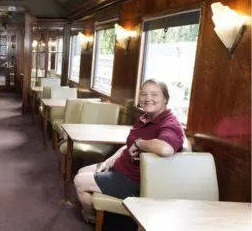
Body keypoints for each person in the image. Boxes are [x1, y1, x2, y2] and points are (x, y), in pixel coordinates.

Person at [73, 79, 185, 223]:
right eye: (144, 94)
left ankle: (91, 218)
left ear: (165, 99)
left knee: (79, 181)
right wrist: (110, 160)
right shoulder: (145, 118)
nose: (148, 98)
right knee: (82, 171)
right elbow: (128, 145)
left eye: (154, 95)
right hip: (121, 168)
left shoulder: (169, 123)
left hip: (132, 181)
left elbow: (166, 148)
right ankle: (100, 208)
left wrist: (140, 143)